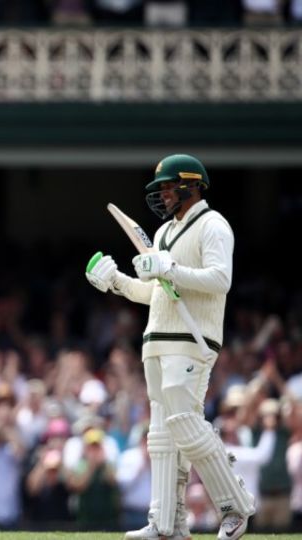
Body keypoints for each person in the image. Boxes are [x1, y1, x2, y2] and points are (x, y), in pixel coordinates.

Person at [86, 154, 254, 540]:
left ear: (191, 185)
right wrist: (118, 282)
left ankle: (235, 507)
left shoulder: (214, 225)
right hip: (157, 339)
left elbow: (220, 279)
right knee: (161, 434)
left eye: (167, 186)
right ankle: (166, 525)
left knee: (186, 424)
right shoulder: (162, 235)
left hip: (193, 340)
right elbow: (159, 294)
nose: (162, 194)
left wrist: (169, 269)